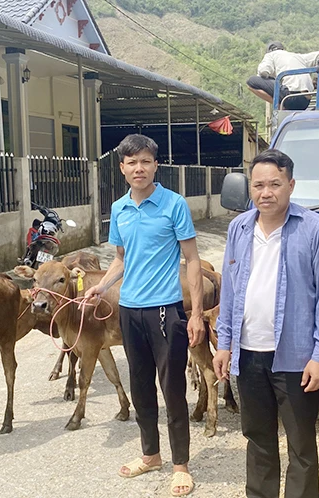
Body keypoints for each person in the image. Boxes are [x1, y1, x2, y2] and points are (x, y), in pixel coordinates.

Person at [82, 134, 206, 497]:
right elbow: (121, 259)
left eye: (146, 161)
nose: (139, 168)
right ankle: (150, 454)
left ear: (155, 165)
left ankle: (180, 464)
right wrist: (101, 287)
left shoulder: (174, 204)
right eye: (132, 162)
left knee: (172, 387)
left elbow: (193, 259)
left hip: (165, 311)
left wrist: (196, 313)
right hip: (129, 311)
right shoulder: (119, 209)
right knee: (140, 386)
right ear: (121, 168)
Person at [212, 149, 319, 498]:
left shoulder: (315, 228)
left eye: (274, 184)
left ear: (291, 185)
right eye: (258, 185)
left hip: (295, 357)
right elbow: (231, 290)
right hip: (248, 353)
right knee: (258, 439)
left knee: (301, 444)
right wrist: (224, 344)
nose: (266, 193)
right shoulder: (239, 227)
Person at [246, 42, 319, 111]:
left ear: (269, 51)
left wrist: (269, 78)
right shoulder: (297, 56)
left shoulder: (271, 55)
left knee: (251, 82)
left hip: (290, 97)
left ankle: (280, 106)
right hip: (306, 101)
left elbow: (263, 71)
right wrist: (315, 78)